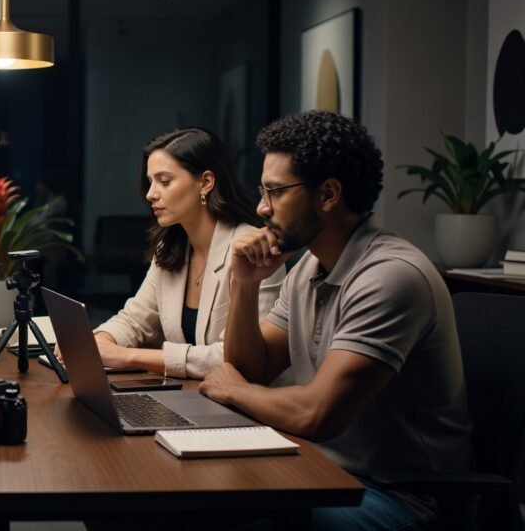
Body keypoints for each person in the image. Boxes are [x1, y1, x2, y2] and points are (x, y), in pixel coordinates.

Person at [199, 110, 474, 529]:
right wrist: (246, 283)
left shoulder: (391, 277)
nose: (260, 207)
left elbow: (316, 414)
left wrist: (233, 390)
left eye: (274, 192)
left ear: (328, 194)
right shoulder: (310, 267)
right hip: (322, 470)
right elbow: (250, 367)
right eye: (262, 191)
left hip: (401, 496)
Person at [72, 127, 284, 379]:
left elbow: (236, 358)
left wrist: (127, 356)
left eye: (164, 181)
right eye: (150, 182)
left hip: (247, 407)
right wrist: (98, 342)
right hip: (193, 398)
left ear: (206, 182)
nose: (150, 194)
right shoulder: (172, 248)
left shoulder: (253, 252)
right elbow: (136, 320)